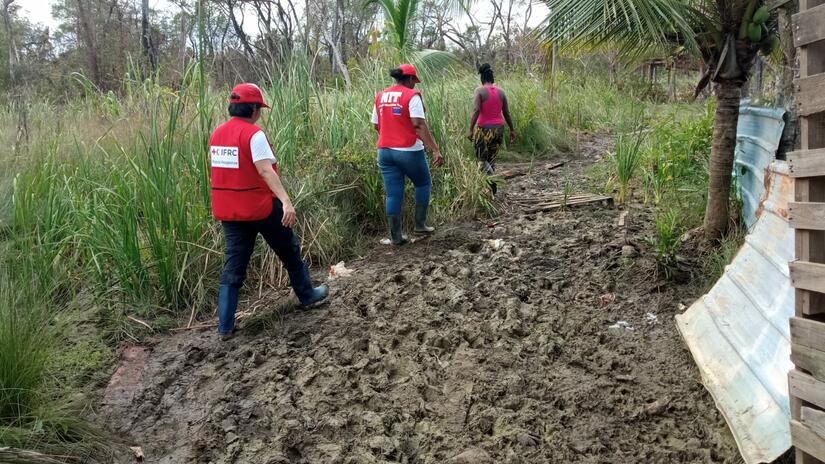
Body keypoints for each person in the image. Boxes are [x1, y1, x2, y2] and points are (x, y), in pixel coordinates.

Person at [210, 83, 328, 339]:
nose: (260, 112)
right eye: (259, 108)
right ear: (253, 108)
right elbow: (264, 170)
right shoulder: (254, 135)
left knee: (233, 266)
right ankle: (307, 295)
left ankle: (225, 326)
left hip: (230, 212)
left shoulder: (216, 134)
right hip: (260, 207)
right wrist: (286, 201)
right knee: (289, 251)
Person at [372, 64, 444, 245]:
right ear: (410, 79)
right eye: (414, 81)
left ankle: (396, 236)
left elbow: (375, 124)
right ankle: (420, 225)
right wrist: (435, 149)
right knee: (423, 183)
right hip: (408, 150)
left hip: (384, 151)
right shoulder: (412, 96)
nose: (415, 84)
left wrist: (390, 134)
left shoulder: (380, 96)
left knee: (393, 194)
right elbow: (418, 124)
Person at [467, 63, 516, 195]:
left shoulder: (479, 91)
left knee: (482, 161)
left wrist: (470, 129)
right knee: (491, 159)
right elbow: (507, 113)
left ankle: (493, 182)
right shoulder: (501, 92)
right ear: (492, 78)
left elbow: (476, 109)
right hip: (499, 129)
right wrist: (512, 130)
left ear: (482, 79)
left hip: (484, 129)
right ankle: (490, 190)